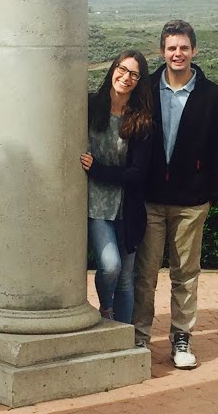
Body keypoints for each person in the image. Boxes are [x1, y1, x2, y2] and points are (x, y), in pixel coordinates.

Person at [132, 19, 218, 369]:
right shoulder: (144, 90)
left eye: (184, 47)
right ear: (162, 51)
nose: (178, 53)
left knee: (185, 275)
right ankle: (139, 336)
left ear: (194, 50)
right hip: (150, 200)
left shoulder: (211, 95)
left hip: (192, 203)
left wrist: (211, 193)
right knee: (144, 275)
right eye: (172, 47)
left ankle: (181, 337)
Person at [80, 50, 155, 324]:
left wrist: (99, 169)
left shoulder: (142, 120)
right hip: (96, 204)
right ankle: (106, 311)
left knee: (125, 279)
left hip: (128, 208)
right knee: (110, 267)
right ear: (113, 69)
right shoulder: (90, 106)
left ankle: (124, 335)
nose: (126, 77)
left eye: (134, 74)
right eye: (122, 69)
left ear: (140, 81)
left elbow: (137, 173)